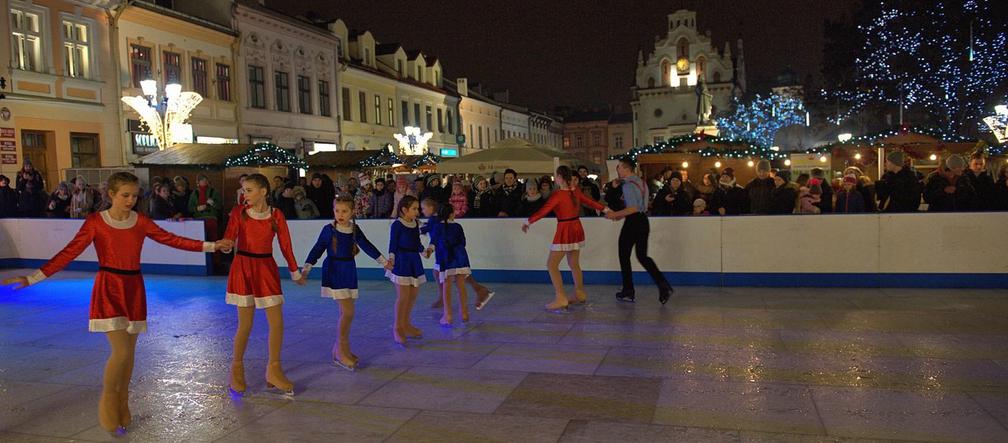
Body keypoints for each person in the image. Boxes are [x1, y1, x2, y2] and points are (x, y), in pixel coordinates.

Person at [3, 172, 229, 434]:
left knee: (129, 355)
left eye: (135, 196)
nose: (131, 200)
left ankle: (123, 402)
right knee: (120, 352)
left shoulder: (141, 221)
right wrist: (32, 278)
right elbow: (68, 253)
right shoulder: (96, 222)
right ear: (111, 194)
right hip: (109, 288)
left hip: (134, 289)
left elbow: (173, 240)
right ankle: (109, 399)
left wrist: (213, 246)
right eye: (125, 195)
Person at [220, 173, 304, 397]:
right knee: (244, 325)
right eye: (243, 190)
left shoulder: (276, 215)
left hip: (266, 269)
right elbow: (229, 236)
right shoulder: (239, 213)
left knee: (277, 323)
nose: (244, 194)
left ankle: (273, 370)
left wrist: (294, 272)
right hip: (243, 269)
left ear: (263, 191)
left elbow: (286, 245)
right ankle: (236, 368)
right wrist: (226, 245)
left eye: (248, 190)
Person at [300, 194, 392, 371]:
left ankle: (340, 349)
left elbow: (366, 245)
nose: (340, 214)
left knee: (345, 312)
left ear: (352, 212)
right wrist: (306, 269)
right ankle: (341, 349)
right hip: (334, 270)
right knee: (348, 312)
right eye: (337, 210)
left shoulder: (354, 230)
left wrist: (384, 262)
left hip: (349, 270)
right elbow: (317, 249)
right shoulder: (329, 230)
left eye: (344, 211)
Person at [522, 166, 607, 311]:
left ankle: (561, 297)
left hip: (565, 229)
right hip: (576, 227)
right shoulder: (575, 191)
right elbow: (590, 202)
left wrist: (528, 221)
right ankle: (579, 293)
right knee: (574, 263)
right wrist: (606, 209)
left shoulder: (558, 195)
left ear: (561, 178)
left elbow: (544, 211)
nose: (555, 179)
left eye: (556, 176)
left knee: (551, 264)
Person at [604, 157, 674, 304]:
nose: (617, 170)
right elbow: (640, 207)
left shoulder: (628, 185)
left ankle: (628, 290)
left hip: (633, 222)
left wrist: (614, 214)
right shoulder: (642, 182)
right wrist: (621, 215)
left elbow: (633, 208)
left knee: (624, 255)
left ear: (625, 168)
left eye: (619, 167)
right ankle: (663, 285)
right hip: (643, 221)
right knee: (642, 256)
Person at [387, 196, 427, 346]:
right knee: (403, 297)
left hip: (414, 261)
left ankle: (406, 324)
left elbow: (416, 242)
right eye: (414, 209)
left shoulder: (415, 224)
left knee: (413, 295)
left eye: (418, 208)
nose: (417, 211)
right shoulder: (397, 225)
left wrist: (423, 251)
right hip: (402, 261)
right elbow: (393, 243)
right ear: (404, 210)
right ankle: (397, 327)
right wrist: (391, 258)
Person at [434, 203, 473, 327]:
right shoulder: (457, 226)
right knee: (461, 285)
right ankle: (464, 313)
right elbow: (463, 242)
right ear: (451, 213)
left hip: (446, 259)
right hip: (460, 257)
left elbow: (435, 243)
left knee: (447, 286)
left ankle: (448, 315)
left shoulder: (437, 227)